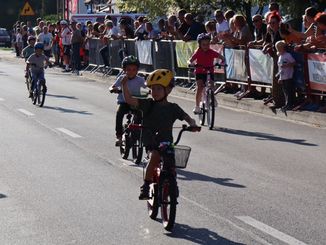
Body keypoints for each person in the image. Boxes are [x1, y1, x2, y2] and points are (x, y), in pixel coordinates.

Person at [121, 69, 198, 200]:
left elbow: (186, 117)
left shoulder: (173, 108)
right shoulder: (147, 104)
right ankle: (145, 185)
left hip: (166, 142)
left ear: (168, 90)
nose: (155, 92)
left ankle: (172, 183)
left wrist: (192, 123)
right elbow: (129, 100)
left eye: (158, 89)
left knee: (171, 162)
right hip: (152, 142)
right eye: (153, 89)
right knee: (155, 155)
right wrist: (124, 85)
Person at [110, 56, 146, 146]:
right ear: (124, 70)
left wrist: (146, 92)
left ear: (137, 70)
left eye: (134, 69)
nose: (131, 72)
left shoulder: (140, 80)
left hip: (134, 102)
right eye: (128, 69)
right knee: (119, 113)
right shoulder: (122, 78)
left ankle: (136, 133)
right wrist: (114, 89)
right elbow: (112, 86)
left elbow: (146, 89)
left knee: (140, 114)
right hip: (123, 102)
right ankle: (118, 136)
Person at [188, 33, 225, 114]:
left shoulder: (211, 52)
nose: (206, 46)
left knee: (212, 85)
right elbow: (190, 60)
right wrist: (191, 63)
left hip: (209, 70)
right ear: (200, 45)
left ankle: (212, 97)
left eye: (208, 44)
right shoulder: (198, 51)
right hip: (199, 71)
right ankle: (197, 106)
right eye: (203, 44)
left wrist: (222, 62)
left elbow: (222, 57)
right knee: (200, 87)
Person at [275, 40, 296, 111]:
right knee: (285, 91)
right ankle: (287, 104)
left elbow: (293, 63)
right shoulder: (280, 56)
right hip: (283, 77)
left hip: (288, 76)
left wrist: (287, 65)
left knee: (289, 91)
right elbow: (280, 68)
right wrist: (280, 77)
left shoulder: (288, 55)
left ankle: (290, 104)